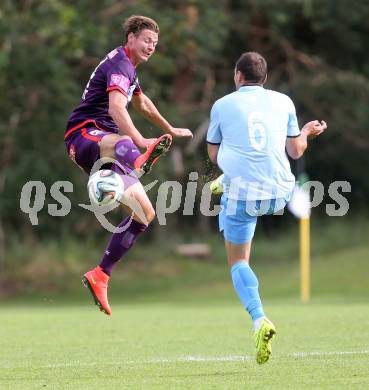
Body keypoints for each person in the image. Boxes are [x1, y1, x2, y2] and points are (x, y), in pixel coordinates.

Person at [64, 15, 192, 316]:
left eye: (155, 44)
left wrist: (169, 128)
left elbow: (142, 103)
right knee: (125, 143)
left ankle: (101, 274)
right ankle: (134, 163)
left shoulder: (130, 69)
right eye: (147, 40)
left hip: (104, 145)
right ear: (130, 38)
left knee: (145, 214)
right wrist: (141, 141)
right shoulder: (120, 64)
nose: (151, 47)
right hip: (83, 135)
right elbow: (116, 108)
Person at [206, 52, 326, 364]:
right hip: (280, 192)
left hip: (243, 195)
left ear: (237, 75)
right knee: (246, 183)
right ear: (265, 78)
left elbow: (213, 153)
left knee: (238, 262)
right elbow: (295, 150)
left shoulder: (222, 105)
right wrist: (307, 133)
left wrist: (232, 161)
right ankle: (226, 183)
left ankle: (259, 318)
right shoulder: (284, 101)